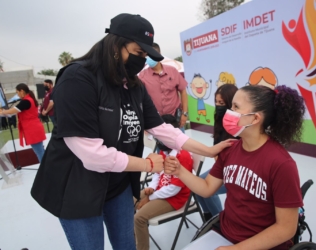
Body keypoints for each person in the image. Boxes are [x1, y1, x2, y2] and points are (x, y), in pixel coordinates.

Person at [30, 13, 232, 250]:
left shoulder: (134, 86)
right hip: (78, 189)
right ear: (116, 46)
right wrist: (147, 165)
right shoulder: (78, 79)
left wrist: (208, 150)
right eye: (138, 53)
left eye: (145, 56)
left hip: (117, 186)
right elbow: (92, 155)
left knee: (126, 245)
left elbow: (162, 129)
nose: (142, 60)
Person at [165, 85, 306, 250]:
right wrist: (179, 171)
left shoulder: (281, 164)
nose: (228, 112)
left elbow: (286, 229)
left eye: (235, 107)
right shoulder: (230, 149)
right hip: (224, 234)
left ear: (255, 119)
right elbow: (207, 188)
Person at [134, 114, 193, 250]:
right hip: (160, 191)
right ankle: (133, 239)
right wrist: (151, 188)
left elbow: (174, 189)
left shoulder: (182, 156)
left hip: (174, 198)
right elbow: (157, 173)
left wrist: (150, 198)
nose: (156, 137)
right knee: (129, 200)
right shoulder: (164, 151)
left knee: (139, 218)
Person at [196, 84, 238, 222]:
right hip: (223, 165)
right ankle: (208, 219)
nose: (218, 106)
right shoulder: (219, 119)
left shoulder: (239, 124)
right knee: (197, 185)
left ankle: (220, 222)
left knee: (208, 190)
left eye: (222, 103)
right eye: (216, 102)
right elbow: (216, 148)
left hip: (236, 169)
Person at [139, 43, 188, 131]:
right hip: (156, 122)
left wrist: (184, 114)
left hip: (175, 120)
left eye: (150, 56)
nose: (147, 59)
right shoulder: (142, 76)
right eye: (146, 56)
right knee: (159, 145)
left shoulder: (172, 71)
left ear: (158, 55)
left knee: (180, 144)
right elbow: (140, 100)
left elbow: (183, 91)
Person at [0, 83, 46, 162]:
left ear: (22, 91)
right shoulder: (30, 99)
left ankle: (46, 170)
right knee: (41, 150)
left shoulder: (26, 101)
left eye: (17, 92)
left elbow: (12, 111)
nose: (17, 95)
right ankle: (48, 168)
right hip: (34, 127)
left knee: (39, 152)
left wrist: (2, 112)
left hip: (32, 128)